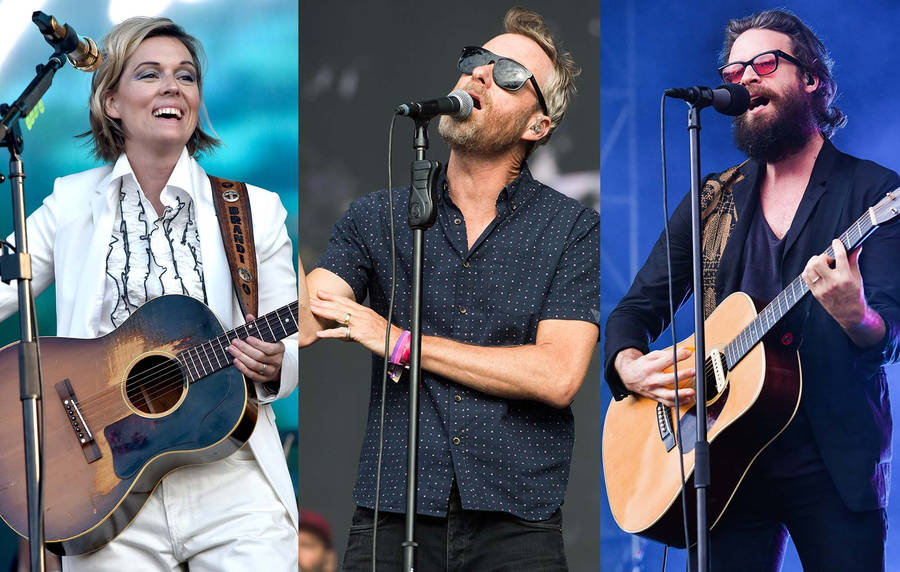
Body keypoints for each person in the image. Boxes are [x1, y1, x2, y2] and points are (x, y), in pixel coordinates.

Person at [301, 7, 599, 570]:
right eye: (477, 59)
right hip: (395, 509)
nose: (481, 73)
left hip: (517, 522)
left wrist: (401, 343)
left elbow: (557, 376)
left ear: (537, 126)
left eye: (508, 74)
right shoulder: (376, 216)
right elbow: (307, 321)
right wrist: (273, 229)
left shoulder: (572, 228)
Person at [604, 9, 900, 570]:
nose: (744, 79)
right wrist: (628, 366)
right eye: (734, 71)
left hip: (833, 461)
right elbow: (636, 308)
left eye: (764, 64)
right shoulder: (712, 199)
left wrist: (854, 313)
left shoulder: (875, 193)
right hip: (722, 460)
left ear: (811, 79)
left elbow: (888, 332)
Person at [0, 17, 298, 569]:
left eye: (186, 76)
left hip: (232, 486)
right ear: (111, 102)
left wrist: (279, 361)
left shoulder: (255, 210)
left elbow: (292, 331)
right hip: (101, 486)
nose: (172, 87)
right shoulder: (71, 203)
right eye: (150, 74)